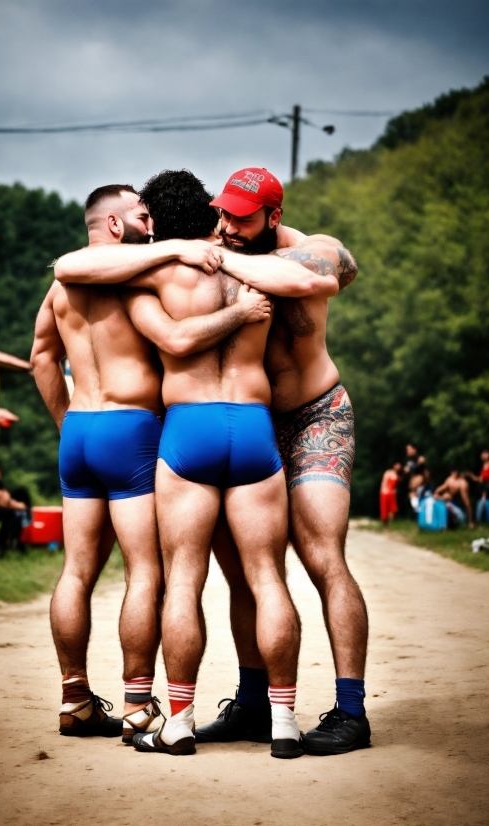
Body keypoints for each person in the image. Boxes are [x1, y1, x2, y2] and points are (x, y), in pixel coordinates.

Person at [33, 183, 270, 742]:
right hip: (130, 427)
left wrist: (67, 421)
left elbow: (41, 357)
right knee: (146, 573)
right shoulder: (132, 277)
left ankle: (75, 698)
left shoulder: (64, 283)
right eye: (142, 215)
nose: (153, 223)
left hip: (80, 431)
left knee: (76, 571)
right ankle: (140, 703)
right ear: (115, 225)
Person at [115, 170, 306, 759]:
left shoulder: (151, 272)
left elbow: (165, 336)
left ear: (156, 220)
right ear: (208, 210)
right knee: (268, 579)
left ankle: (179, 720)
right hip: (251, 427)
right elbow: (310, 261)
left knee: (185, 581)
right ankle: (284, 721)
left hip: (189, 429)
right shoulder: (259, 269)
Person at [194, 167, 370, 756]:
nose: (227, 227)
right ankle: (251, 702)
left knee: (323, 555)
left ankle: (351, 711)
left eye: (241, 217)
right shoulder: (211, 251)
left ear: (272, 215)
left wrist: (227, 261)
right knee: (248, 568)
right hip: (254, 423)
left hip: (318, 413)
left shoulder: (314, 249)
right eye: (222, 214)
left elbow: (319, 277)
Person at [466, 450, 489, 522]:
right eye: (481, 454)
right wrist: (471, 476)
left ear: (488, 454)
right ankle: (486, 519)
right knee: (487, 503)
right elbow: (480, 479)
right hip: (484, 487)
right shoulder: (483, 466)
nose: (481, 456)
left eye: (483, 454)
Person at [380, 463, 402, 528]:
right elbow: (384, 482)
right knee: (385, 509)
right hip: (385, 492)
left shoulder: (398, 475)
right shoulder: (388, 472)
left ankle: (390, 525)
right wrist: (383, 491)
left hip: (392, 493)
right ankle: (385, 525)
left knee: (393, 510)